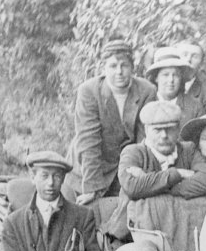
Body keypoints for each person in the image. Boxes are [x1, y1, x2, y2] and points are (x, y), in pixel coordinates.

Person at [113, 101, 206, 251]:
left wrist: (154, 186)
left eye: (169, 129)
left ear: (178, 129)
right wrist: (177, 174)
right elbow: (132, 187)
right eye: (157, 130)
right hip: (133, 235)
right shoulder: (133, 152)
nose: (164, 136)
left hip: (186, 233)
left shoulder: (188, 149)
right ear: (146, 130)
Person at [65, 38, 156, 206]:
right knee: (86, 214)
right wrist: (91, 188)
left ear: (132, 67)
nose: (119, 72)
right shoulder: (89, 91)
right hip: (88, 170)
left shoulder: (146, 91)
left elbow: (145, 139)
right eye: (113, 66)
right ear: (103, 68)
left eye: (124, 65)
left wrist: (138, 178)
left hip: (123, 168)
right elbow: (89, 141)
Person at [146, 47, 202, 131]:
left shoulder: (194, 106)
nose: (171, 80)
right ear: (156, 78)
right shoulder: (147, 104)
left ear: (181, 78)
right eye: (165, 75)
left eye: (175, 75)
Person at [174, 39, 206, 115]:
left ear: (201, 64)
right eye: (184, 54)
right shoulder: (165, 86)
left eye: (195, 56)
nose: (188, 59)